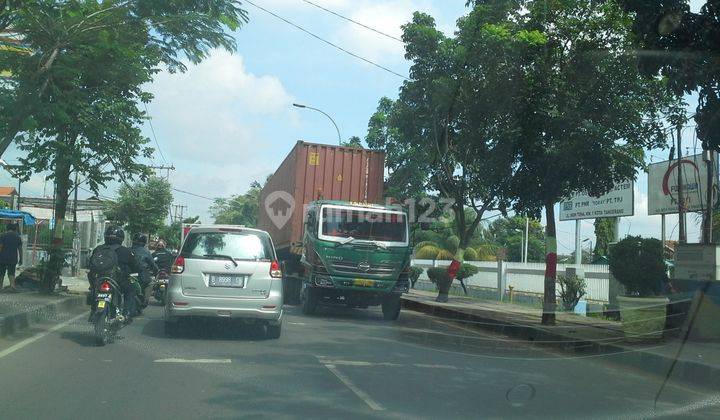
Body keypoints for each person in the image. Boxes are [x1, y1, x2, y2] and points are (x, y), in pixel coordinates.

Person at [88, 225, 140, 318]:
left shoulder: (98, 249)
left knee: (92, 288)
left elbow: (90, 264)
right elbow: (135, 266)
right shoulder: (126, 251)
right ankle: (126, 313)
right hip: (118, 281)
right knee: (131, 289)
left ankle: (93, 308)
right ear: (121, 238)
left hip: (99, 279)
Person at [0, 223, 23, 291]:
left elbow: (0, 247)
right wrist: (21, 259)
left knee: (1, 273)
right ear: (14, 229)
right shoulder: (17, 237)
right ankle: (12, 286)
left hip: (2, 258)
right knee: (11, 272)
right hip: (13, 258)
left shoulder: (2, 236)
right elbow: (20, 249)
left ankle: (0, 287)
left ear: (7, 228)